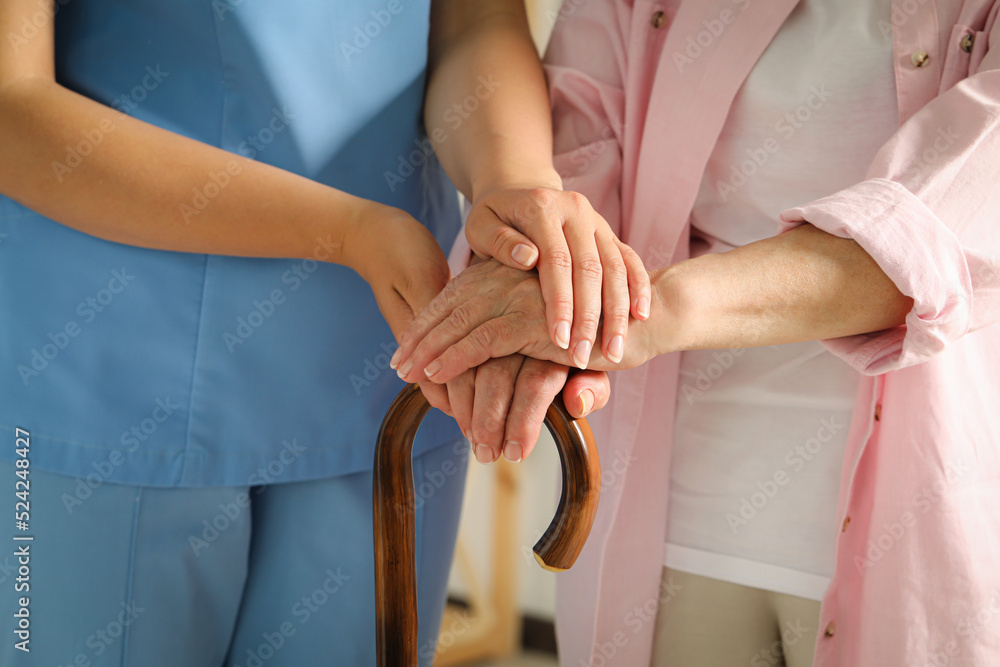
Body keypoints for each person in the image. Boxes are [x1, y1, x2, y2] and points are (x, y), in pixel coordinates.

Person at [0, 1, 641, 664]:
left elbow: (476, 23)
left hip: (384, 362)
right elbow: (11, 104)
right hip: (110, 359)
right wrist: (344, 231)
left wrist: (514, 187)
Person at [392, 1, 1000, 665]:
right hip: (669, 520)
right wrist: (544, 276)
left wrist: (644, 312)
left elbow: (935, 233)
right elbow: (577, 157)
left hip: (926, 522)